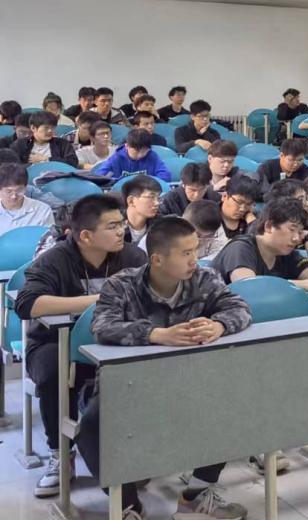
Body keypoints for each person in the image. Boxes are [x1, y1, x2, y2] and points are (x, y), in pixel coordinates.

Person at [80, 215, 252, 520]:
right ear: (157, 259)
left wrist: (219, 325)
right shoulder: (122, 285)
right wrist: (157, 335)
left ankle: (195, 495)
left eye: (195, 250)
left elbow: (240, 308)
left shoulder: (204, 279)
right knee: (92, 425)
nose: (194, 260)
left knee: (235, 405)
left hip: (190, 380)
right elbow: (102, 327)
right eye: (186, 253)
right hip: (129, 384)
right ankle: (127, 504)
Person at [15, 195, 148, 498]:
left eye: (122, 224)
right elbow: (27, 303)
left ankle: (131, 452)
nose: (121, 231)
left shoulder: (132, 257)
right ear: (86, 236)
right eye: (112, 226)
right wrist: (97, 301)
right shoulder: (55, 259)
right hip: (53, 341)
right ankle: (60, 453)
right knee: (53, 375)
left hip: (114, 339)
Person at [212, 195, 308, 293]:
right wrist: (297, 285)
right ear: (269, 226)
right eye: (292, 229)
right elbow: (249, 288)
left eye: (300, 232)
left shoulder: (286, 253)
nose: (296, 238)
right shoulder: (240, 248)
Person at [92, 128, 172, 182]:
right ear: (127, 146)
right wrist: (116, 181)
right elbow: (98, 176)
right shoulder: (117, 157)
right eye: (136, 151)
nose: (140, 155)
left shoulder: (152, 156)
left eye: (144, 151)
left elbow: (166, 176)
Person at [0, 161, 54, 235]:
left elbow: (48, 240)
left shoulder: (42, 210)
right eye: (8, 191)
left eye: (19, 190)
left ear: (26, 188)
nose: (14, 196)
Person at [10, 110, 78, 165]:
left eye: (53, 128)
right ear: (33, 128)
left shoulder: (62, 144)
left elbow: (73, 162)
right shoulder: (20, 144)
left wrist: (46, 159)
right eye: (46, 128)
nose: (50, 131)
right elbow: (12, 166)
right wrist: (32, 165)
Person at [120, 174, 162, 250]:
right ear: (131, 201)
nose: (157, 203)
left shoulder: (160, 225)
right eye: (151, 197)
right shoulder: (116, 227)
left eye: (158, 198)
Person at [218, 174, 259, 240]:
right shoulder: (208, 214)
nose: (242, 209)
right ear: (225, 196)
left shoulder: (254, 219)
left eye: (248, 204)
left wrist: (252, 224)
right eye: (239, 202)